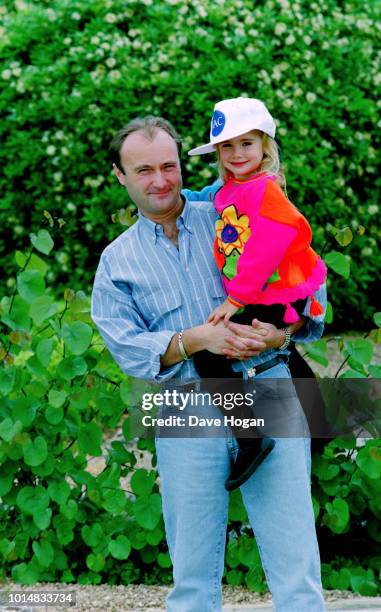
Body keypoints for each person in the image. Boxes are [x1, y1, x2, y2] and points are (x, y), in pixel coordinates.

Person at [91, 116, 326, 611]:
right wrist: (194, 339)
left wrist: (283, 330)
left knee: (296, 570)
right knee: (193, 578)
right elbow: (128, 348)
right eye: (144, 170)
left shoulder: (229, 211)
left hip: (265, 387)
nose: (160, 181)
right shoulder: (117, 262)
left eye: (169, 166)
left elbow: (304, 272)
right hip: (185, 405)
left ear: (183, 164)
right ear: (120, 175)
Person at [185, 97, 327, 489]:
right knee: (279, 352)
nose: (236, 154)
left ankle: (251, 439)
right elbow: (197, 202)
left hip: (274, 289)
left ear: (265, 144)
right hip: (267, 291)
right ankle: (319, 425)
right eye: (226, 146)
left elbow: (268, 244)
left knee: (210, 358)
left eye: (246, 143)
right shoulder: (234, 188)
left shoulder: (264, 190)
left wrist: (236, 299)